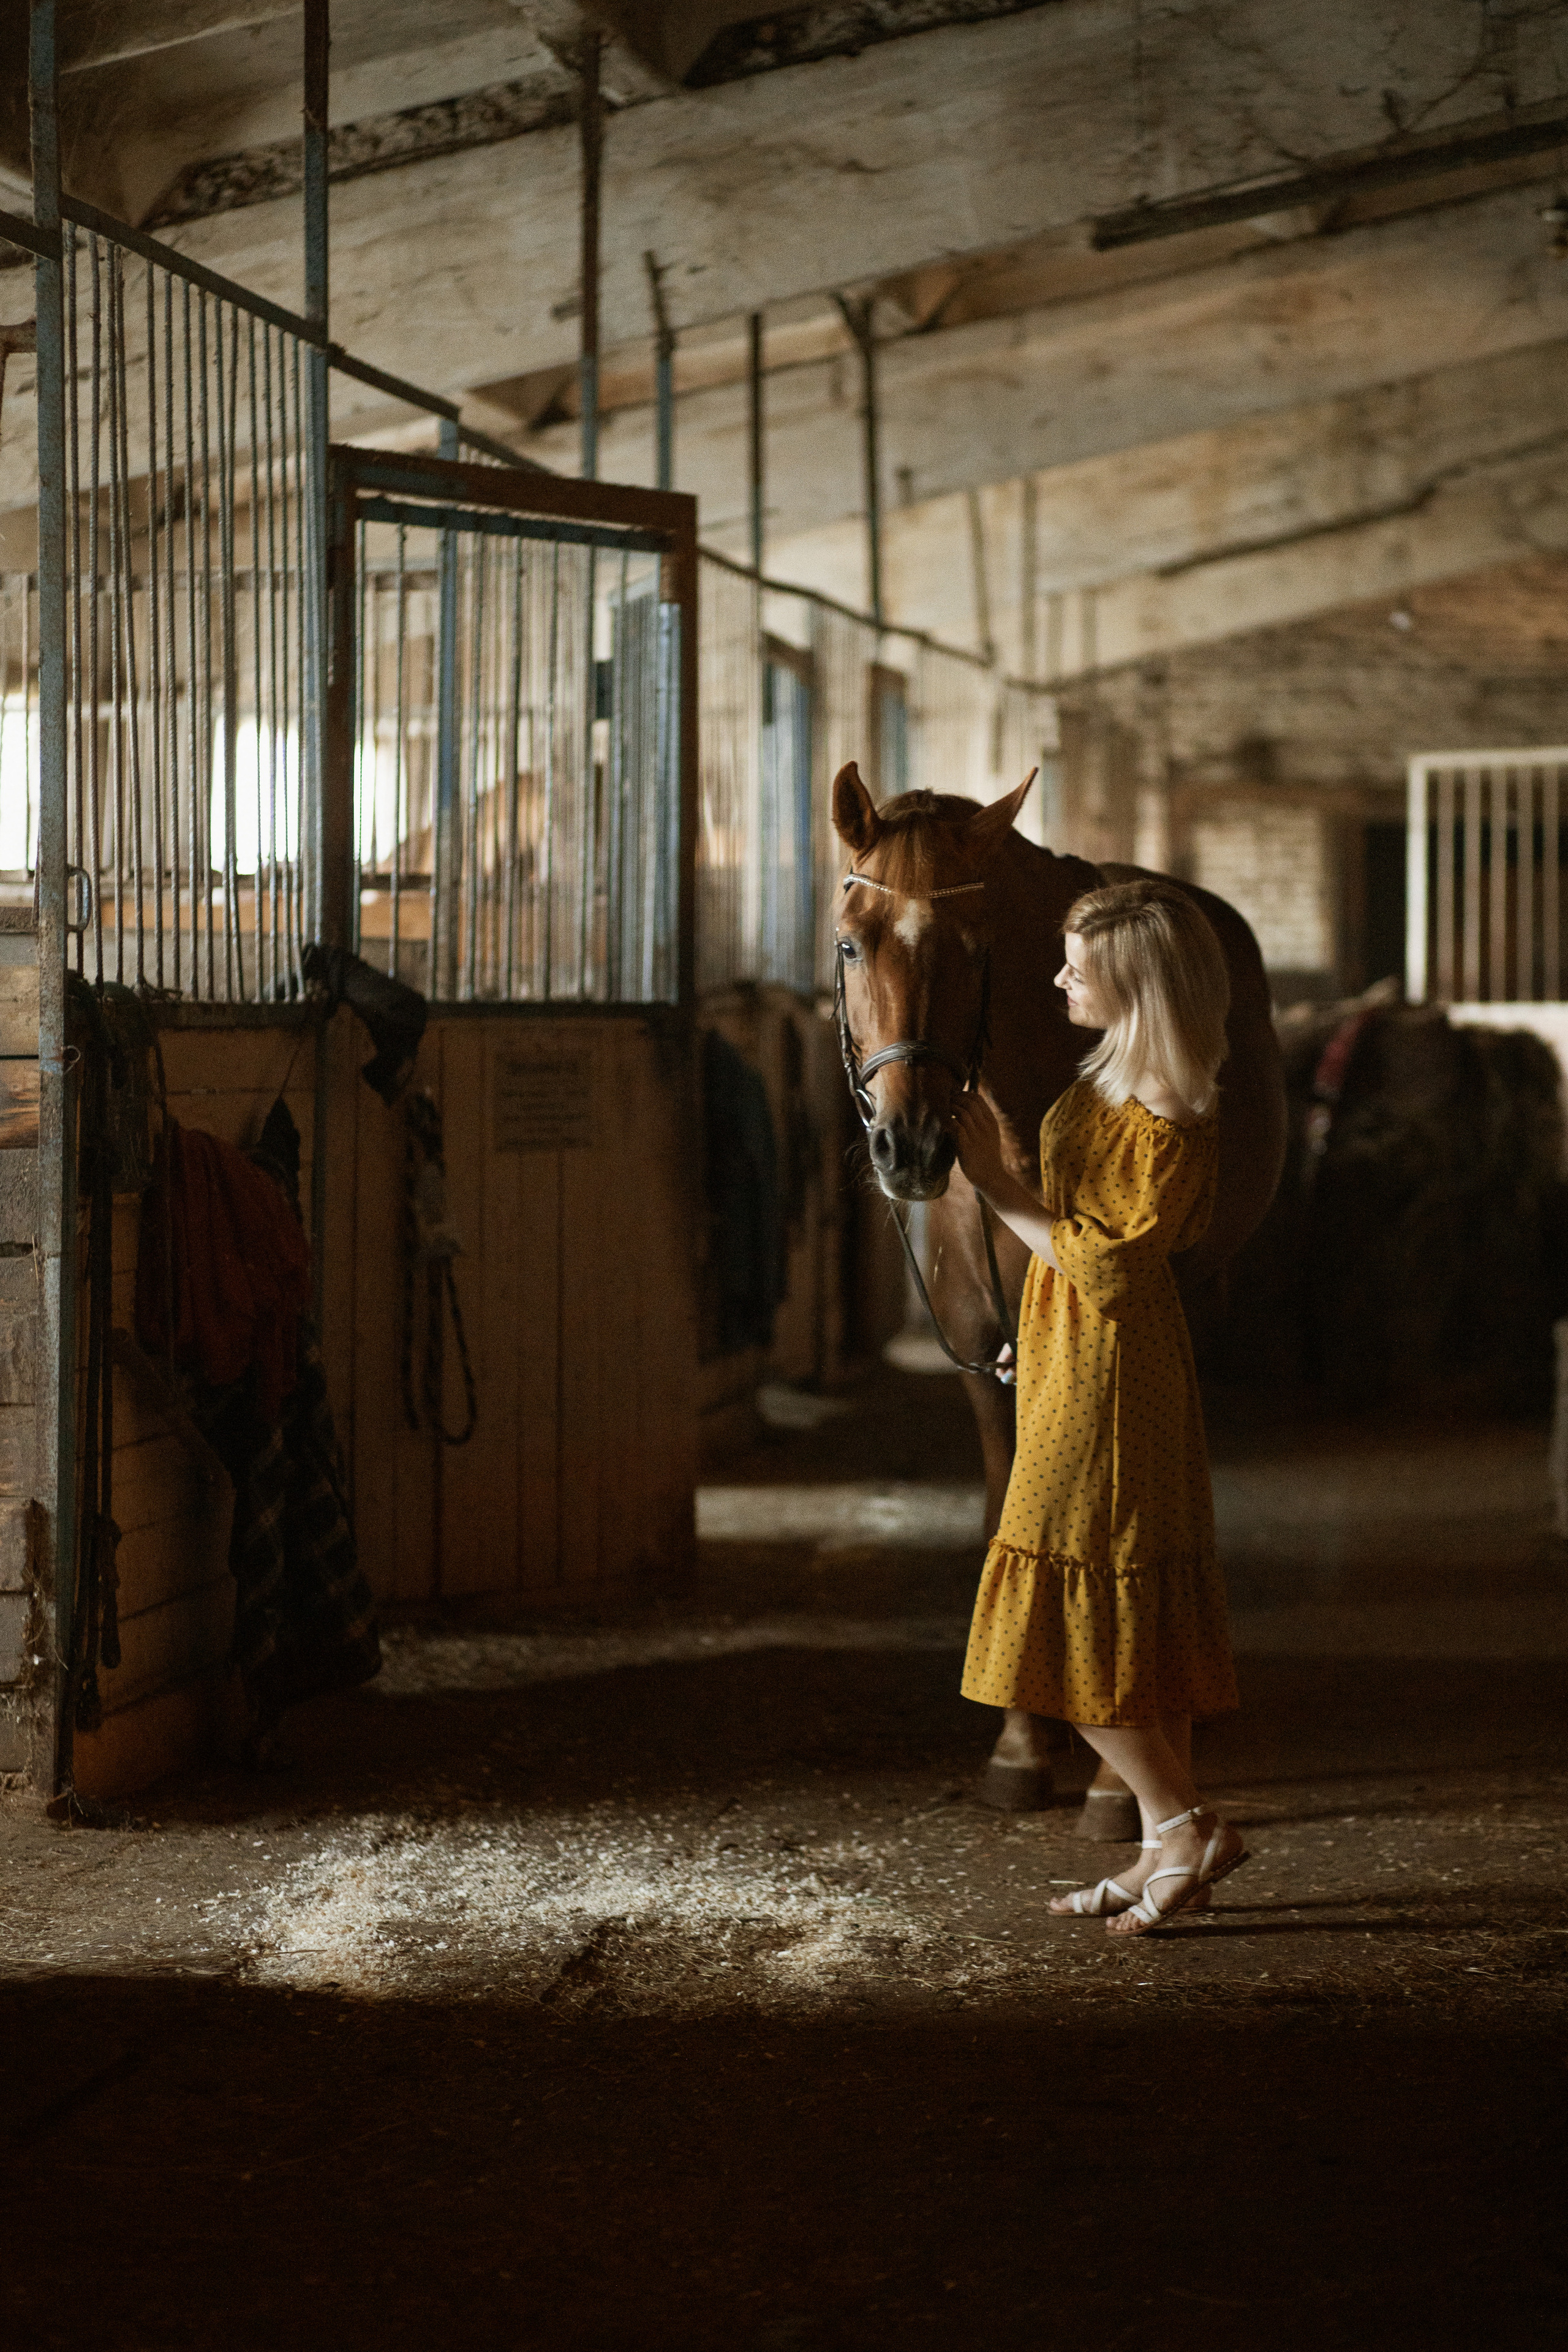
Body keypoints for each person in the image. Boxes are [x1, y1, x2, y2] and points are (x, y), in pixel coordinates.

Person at [950, 877, 1248, 1936]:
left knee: (1068, 1616)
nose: (1062, 974)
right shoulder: (1114, 1072)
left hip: (1111, 1357)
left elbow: (1110, 1270)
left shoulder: (1168, 1105)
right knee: (1117, 1608)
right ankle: (1163, 1848)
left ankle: (1181, 1821)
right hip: (1074, 1347)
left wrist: (998, 1187)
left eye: (1082, 960)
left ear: (1140, 978)